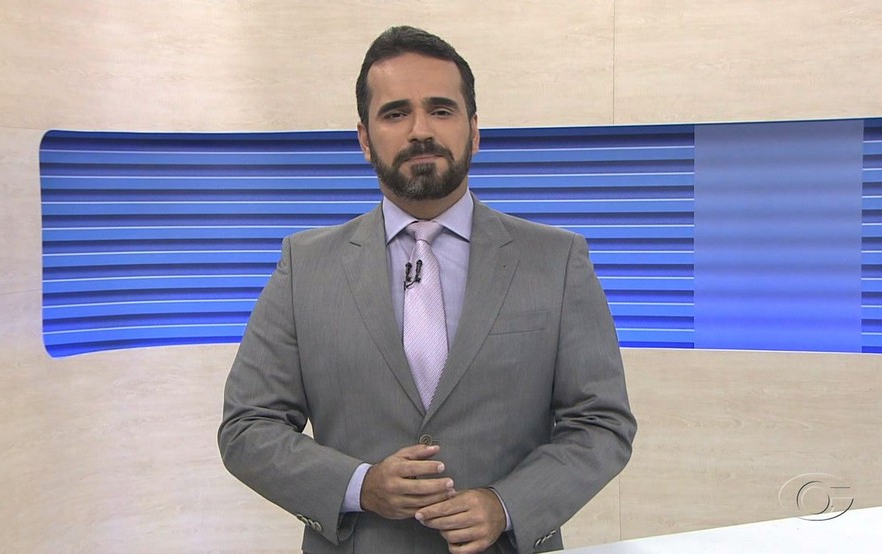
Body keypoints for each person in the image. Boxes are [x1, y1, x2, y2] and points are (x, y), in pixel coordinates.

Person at [218, 25, 636, 554]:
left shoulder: (556, 261)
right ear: (364, 139)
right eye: (395, 114)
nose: (420, 130)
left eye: (441, 110)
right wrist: (360, 486)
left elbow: (601, 422)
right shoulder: (305, 265)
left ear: (474, 130)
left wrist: (507, 505)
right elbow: (247, 427)